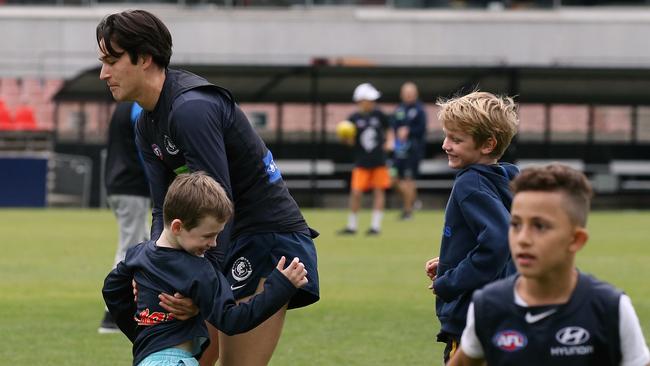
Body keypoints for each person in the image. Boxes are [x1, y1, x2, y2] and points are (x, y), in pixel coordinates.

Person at [96, 10, 319, 366]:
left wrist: (196, 283)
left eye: (112, 60)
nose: (103, 73)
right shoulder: (146, 124)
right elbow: (164, 211)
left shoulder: (191, 109)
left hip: (264, 237)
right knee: (190, 357)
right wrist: (158, 270)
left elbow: (217, 204)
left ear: (145, 58)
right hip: (214, 239)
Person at [449, 164, 650, 366]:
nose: (523, 239)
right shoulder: (488, 306)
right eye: (516, 224)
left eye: (540, 226)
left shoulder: (610, 308)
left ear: (576, 239)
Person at [103, 172, 308, 366]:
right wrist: (280, 286)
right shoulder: (200, 270)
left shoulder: (138, 254)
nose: (214, 243)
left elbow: (112, 289)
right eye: (208, 235)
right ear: (177, 227)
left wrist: (142, 331)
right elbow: (233, 320)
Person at [424, 90, 519, 364]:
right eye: (446, 136)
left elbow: (500, 241)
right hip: (507, 307)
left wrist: (450, 282)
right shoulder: (508, 177)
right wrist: (452, 259)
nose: (445, 145)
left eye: (456, 139)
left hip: (473, 314)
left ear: (487, 144)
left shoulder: (470, 182)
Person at [99, 101, 150, 334]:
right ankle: (112, 315)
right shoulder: (138, 107)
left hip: (117, 184)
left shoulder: (120, 107)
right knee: (130, 247)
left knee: (142, 242)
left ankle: (143, 305)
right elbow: (144, 148)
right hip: (132, 186)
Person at [338, 82, 394, 236]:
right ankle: (352, 225)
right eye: (369, 100)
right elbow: (350, 142)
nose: (372, 103)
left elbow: (389, 129)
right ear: (360, 101)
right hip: (361, 162)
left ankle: (375, 226)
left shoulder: (379, 115)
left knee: (379, 191)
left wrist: (390, 141)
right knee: (356, 192)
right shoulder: (353, 118)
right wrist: (345, 137)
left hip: (379, 160)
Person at [391, 81, 427, 220]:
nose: (408, 95)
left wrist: (409, 131)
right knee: (392, 179)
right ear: (402, 94)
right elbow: (393, 126)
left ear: (416, 94)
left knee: (408, 180)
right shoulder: (399, 109)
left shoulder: (419, 110)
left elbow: (422, 129)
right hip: (399, 151)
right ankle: (412, 200)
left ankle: (407, 211)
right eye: (406, 93)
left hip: (413, 151)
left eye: (411, 93)